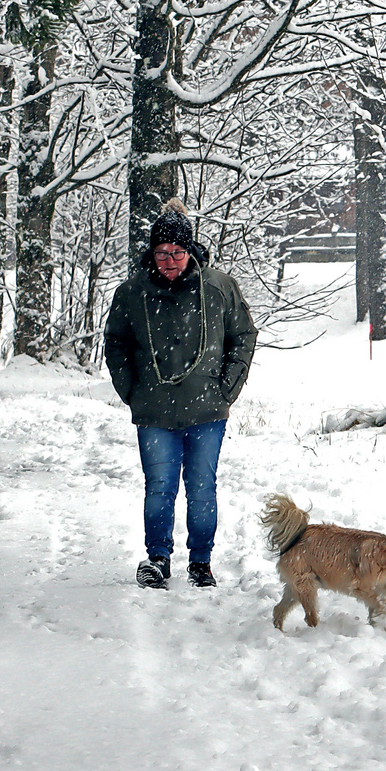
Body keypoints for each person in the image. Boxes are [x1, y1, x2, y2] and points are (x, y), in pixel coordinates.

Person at [105, 198, 258, 589]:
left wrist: (228, 388)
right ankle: (157, 558)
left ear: (190, 251)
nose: (169, 261)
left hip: (207, 409)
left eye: (176, 252)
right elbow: (116, 344)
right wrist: (131, 390)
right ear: (151, 253)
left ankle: (201, 561)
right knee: (159, 486)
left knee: (202, 485)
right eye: (161, 253)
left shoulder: (219, 287)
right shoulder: (132, 293)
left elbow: (243, 336)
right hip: (154, 412)